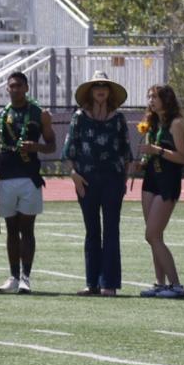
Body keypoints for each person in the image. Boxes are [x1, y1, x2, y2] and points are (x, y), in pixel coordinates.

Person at [63, 72, 132, 297]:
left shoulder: (119, 118)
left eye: (104, 85)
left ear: (110, 91)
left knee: (111, 230)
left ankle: (109, 283)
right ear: (90, 91)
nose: (101, 89)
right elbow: (69, 150)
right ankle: (91, 282)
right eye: (96, 86)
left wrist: (124, 180)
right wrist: (74, 175)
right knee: (92, 230)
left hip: (112, 179)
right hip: (86, 180)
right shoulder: (79, 117)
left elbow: (126, 153)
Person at [0, 71, 57, 294]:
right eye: (11, 86)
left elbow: (51, 146)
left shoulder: (40, 113)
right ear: (7, 89)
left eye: (19, 85)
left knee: (27, 229)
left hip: (29, 177)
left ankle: (26, 277)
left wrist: (34, 147)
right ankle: (13, 276)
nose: (15, 89)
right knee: (10, 229)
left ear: (27, 88)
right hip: (6, 177)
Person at [136, 84, 184, 298]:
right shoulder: (153, 123)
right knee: (153, 236)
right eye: (149, 96)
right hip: (151, 180)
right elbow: (152, 153)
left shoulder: (176, 123)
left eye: (155, 96)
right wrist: (142, 161)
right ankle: (160, 283)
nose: (151, 100)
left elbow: (183, 158)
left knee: (152, 234)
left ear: (166, 99)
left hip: (168, 181)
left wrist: (157, 150)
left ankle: (176, 285)